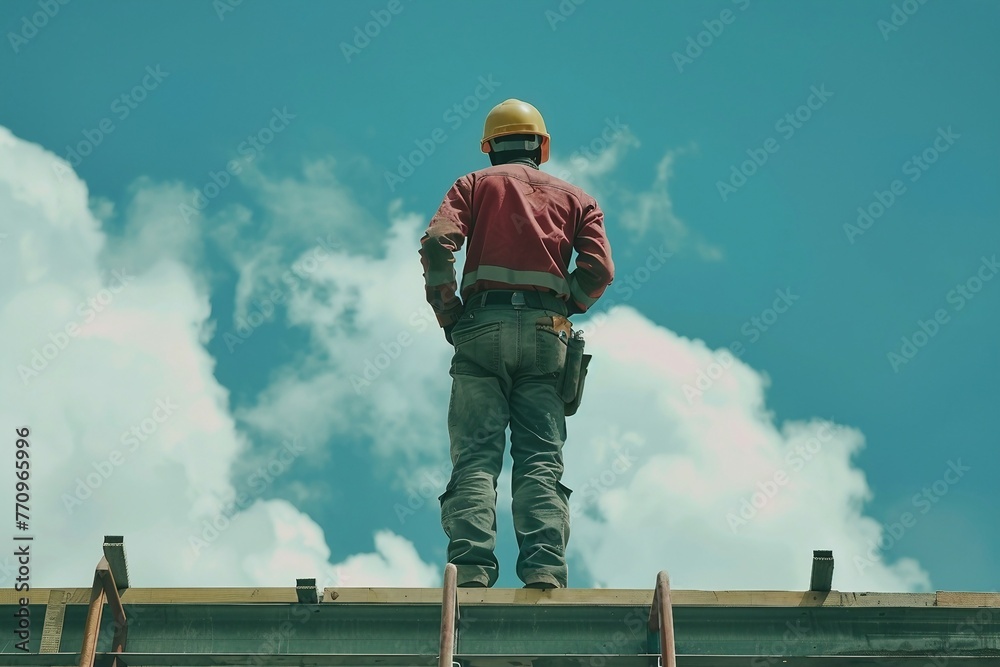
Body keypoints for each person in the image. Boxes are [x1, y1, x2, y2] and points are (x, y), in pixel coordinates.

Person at [419, 98, 614, 589]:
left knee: (476, 459)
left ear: (489, 147)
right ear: (541, 147)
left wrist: (449, 312)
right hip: (548, 336)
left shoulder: (473, 185)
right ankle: (545, 571)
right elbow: (599, 270)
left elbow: (437, 242)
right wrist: (567, 303)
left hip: (481, 328)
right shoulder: (578, 199)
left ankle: (469, 573)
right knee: (540, 460)